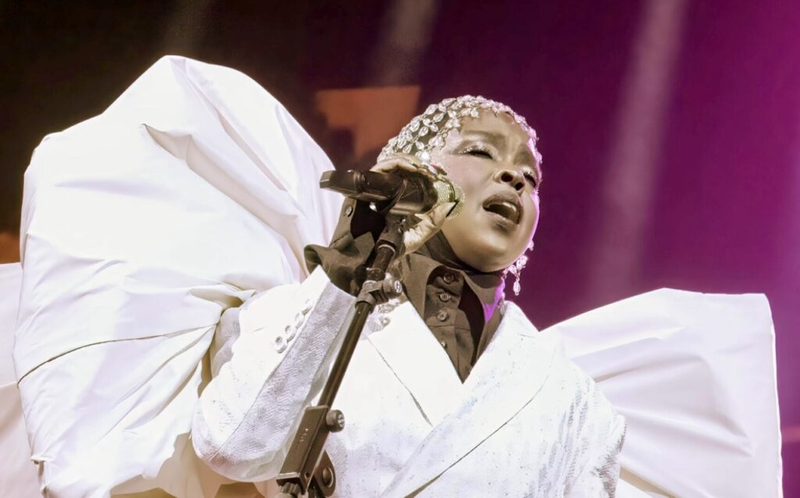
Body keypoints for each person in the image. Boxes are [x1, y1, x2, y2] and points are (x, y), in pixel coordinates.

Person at [4, 56, 782, 497]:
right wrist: (339, 284)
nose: (514, 179)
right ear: (409, 170)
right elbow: (233, 446)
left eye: (529, 174)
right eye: (480, 153)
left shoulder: (573, 400)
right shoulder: (298, 312)